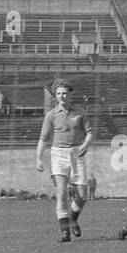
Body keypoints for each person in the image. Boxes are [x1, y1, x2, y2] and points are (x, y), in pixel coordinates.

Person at [36, 79, 92, 243]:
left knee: (82, 195)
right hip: (58, 154)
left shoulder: (79, 113)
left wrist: (86, 144)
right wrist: (38, 159)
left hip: (76, 153)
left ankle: (73, 217)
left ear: (71, 95)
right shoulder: (51, 115)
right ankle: (65, 232)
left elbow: (89, 133)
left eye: (64, 93)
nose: (61, 96)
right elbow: (43, 139)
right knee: (61, 194)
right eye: (59, 94)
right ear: (55, 96)